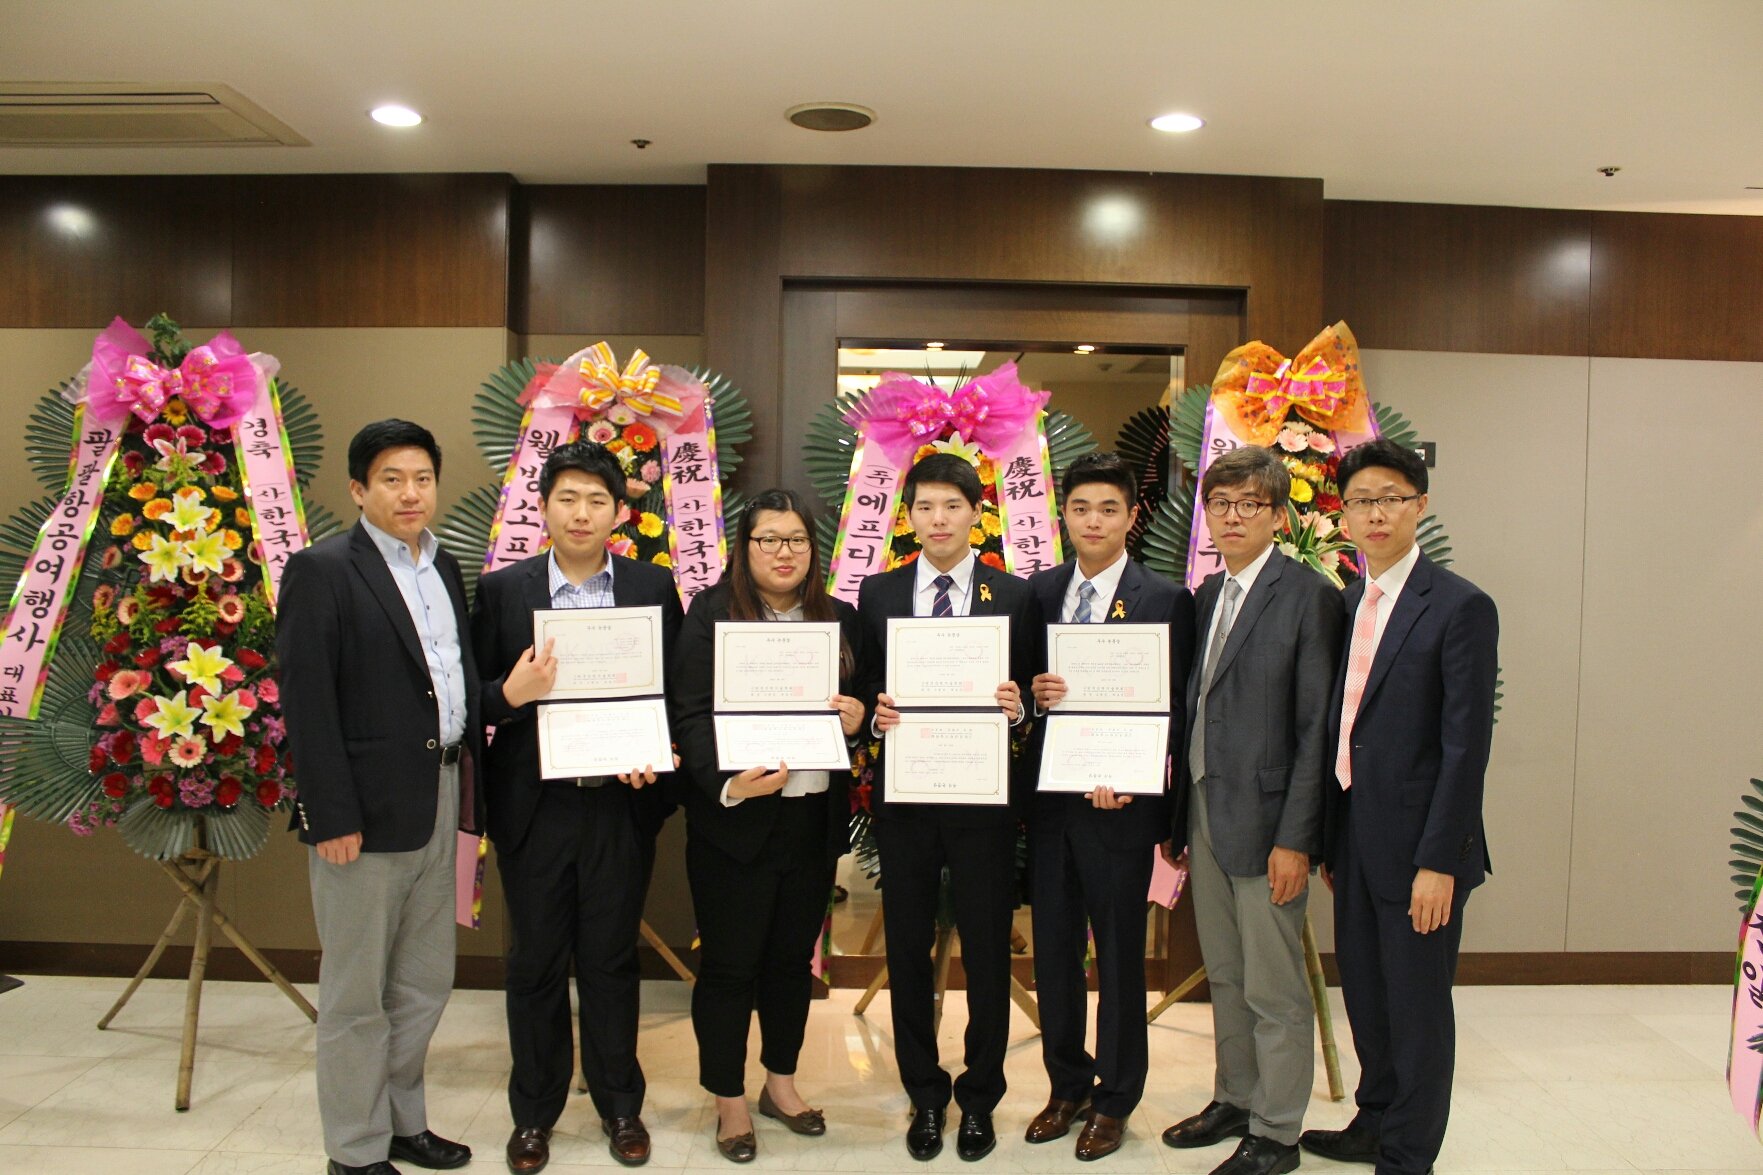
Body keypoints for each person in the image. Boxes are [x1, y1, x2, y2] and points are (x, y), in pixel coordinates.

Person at [470, 441, 684, 1171]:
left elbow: (673, 693)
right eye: (567, 498)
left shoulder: (653, 587)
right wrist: (510, 694)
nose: (581, 513)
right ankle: (533, 1114)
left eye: (597, 499)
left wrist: (655, 756)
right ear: (543, 507)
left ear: (620, 511)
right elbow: (475, 700)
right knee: (533, 963)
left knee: (610, 961)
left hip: (619, 805)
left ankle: (620, 1105)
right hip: (535, 807)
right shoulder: (504, 591)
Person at [278, 419, 481, 1175]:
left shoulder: (444, 565)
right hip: (359, 813)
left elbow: (448, 683)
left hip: (442, 792)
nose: (410, 493)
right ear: (359, 490)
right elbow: (307, 701)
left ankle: (402, 1122)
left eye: (422, 478)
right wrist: (329, 813)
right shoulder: (323, 570)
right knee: (356, 993)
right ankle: (354, 1150)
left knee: (423, 983)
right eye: (392, 479)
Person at [1300, 438, 1498, 1175]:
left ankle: (1409, 1153)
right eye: (1361, 501)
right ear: (1343, 514)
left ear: (1420, 505)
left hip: (1421, 850)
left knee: (1416, 1007)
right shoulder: (1348, 600)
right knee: (1367, 995)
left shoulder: (1459, 605)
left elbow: (1465, 747)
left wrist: (1439, 861)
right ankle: (1374, 1119)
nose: (1375, 514)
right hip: (1354, 840)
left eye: (1390, 499)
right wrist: (1329, 839)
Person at [667, 489, 867, 1164]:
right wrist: (727, 784)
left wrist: (855, 721)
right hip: (734, 822)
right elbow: (688, 712)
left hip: (810, 822)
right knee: (729, 966)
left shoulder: (839, 618)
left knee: (789, 963)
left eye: (796, 540)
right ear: (744, 548)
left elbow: (862, 714)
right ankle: (728, 1098)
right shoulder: (710, 614)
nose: (784, 552)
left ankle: (780, 1082)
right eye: (768, 539)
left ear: (813, 549)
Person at [1160, 446, 1345, 1175]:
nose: (1232, 516)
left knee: (1274, 986)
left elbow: (1315, 729)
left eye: (1249, 504)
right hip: (1205, 812)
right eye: (1220, 503)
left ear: (1277, 514)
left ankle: (1276, 1131)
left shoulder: (1308, 596)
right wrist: (1177, 817)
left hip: (1269, 826)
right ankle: (1234, 1098)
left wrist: (1296, 838)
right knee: (1228, 974)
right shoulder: (1207, 594)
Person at [1021, 451, 1195, 1162]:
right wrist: (1030, 698)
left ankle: (1116, 1097)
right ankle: (1066, 1085)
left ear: (1131, 516)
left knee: (1119, 956)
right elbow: (1015, 695)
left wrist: (1136, 776)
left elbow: (1175, 710)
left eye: (1108, 509)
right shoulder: (1038, 593)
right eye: (1080, 508)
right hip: (1052, 805)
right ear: (1063, 515)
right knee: (1055, 953)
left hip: (1122, 807)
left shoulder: (1165, 600)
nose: (1093, 521)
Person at [857, 453, 1031, 1162]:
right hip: (905, 800)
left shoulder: (1012, 595)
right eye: (925, 506)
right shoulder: (878, 593)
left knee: (987, 949)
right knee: (907, 947)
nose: (938, 519)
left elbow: (1032, 694)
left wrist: (1018, 710)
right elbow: (863, 690)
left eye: (952, 506)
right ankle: (924, 1094)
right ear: (908, 516)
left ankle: (980, 1095)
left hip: (982, 802)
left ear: (976, 515)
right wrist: (874, 716)